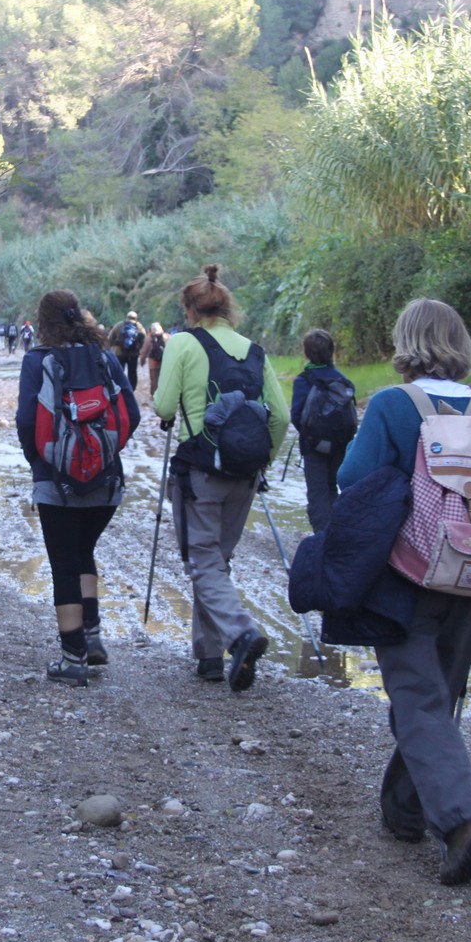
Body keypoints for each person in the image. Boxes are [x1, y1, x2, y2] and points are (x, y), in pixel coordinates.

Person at [333, 298, 471, 886]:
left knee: (418, 697)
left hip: (405, 574)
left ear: (405, 342)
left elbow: (352, 480)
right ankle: (404, 811)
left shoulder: (392, 405)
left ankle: (463, 822)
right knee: (437, 694)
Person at [152, 265, 289, 691]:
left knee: (202, 559)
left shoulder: (183, 343)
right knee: (216, 560)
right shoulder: (254, 350)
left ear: (190, 310)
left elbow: (163, 406)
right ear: (227, 309)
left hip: (200, 470)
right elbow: (281, 417)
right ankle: (209, 655)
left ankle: (240, 634)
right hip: (245, 472)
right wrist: (263, 459)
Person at [15, 290, 140, 686]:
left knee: (65, 564)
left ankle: (73, 660)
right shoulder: (104, 357)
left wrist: (41, 462)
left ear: (43, 321)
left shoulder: (38, 360)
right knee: (83, 551)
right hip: (107, 483)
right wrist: (103, 453)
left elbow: (26, 422)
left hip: (55, 483)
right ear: (80, 315)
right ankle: (91, 636)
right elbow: (132, 414)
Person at [290, 328, 354, 532]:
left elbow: (296, 416)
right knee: (332, 487)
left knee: (317, 493)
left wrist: (310, 436)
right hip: (340, 445)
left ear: (306, 352)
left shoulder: (303, 380)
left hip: (313, 447)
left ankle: (321, 538)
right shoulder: (343, 381)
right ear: (331, 350)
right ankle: (335, 534)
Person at [114, 311, 145, 390]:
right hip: (133, 354)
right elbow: (144, 339)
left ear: (127, 317)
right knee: (132, 373)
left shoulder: (119, 325)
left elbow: (110, 338)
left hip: (120, 353)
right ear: (136, 318)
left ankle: (119, 388)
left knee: (119, 371)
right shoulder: (139, 327)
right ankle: (131, 389)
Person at [137, 321, 166, 396]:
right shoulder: (166, 337)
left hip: (153, 362)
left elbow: (144, 352)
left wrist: (142, 361)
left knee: (154, 379)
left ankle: (154, 395)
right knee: (164, 378)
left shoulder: (148, 338)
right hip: (164, 361)